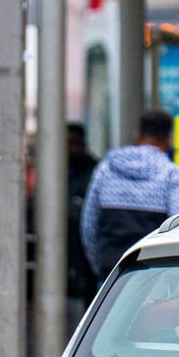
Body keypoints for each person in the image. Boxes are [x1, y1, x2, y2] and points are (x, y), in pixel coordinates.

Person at [81, 109, 179, 280]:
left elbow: (89, 225)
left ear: (138, 135)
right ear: (168, 139)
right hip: (154, 271)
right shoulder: (171, 173)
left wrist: (99, 265)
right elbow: (177, 223)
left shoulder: (106, 168)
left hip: (111, 268)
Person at [65, 123, 100, 306]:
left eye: (74, 143)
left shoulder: (94, 171)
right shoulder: (58, 171)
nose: (71, 149)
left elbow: (90, 219)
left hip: (82, 247)